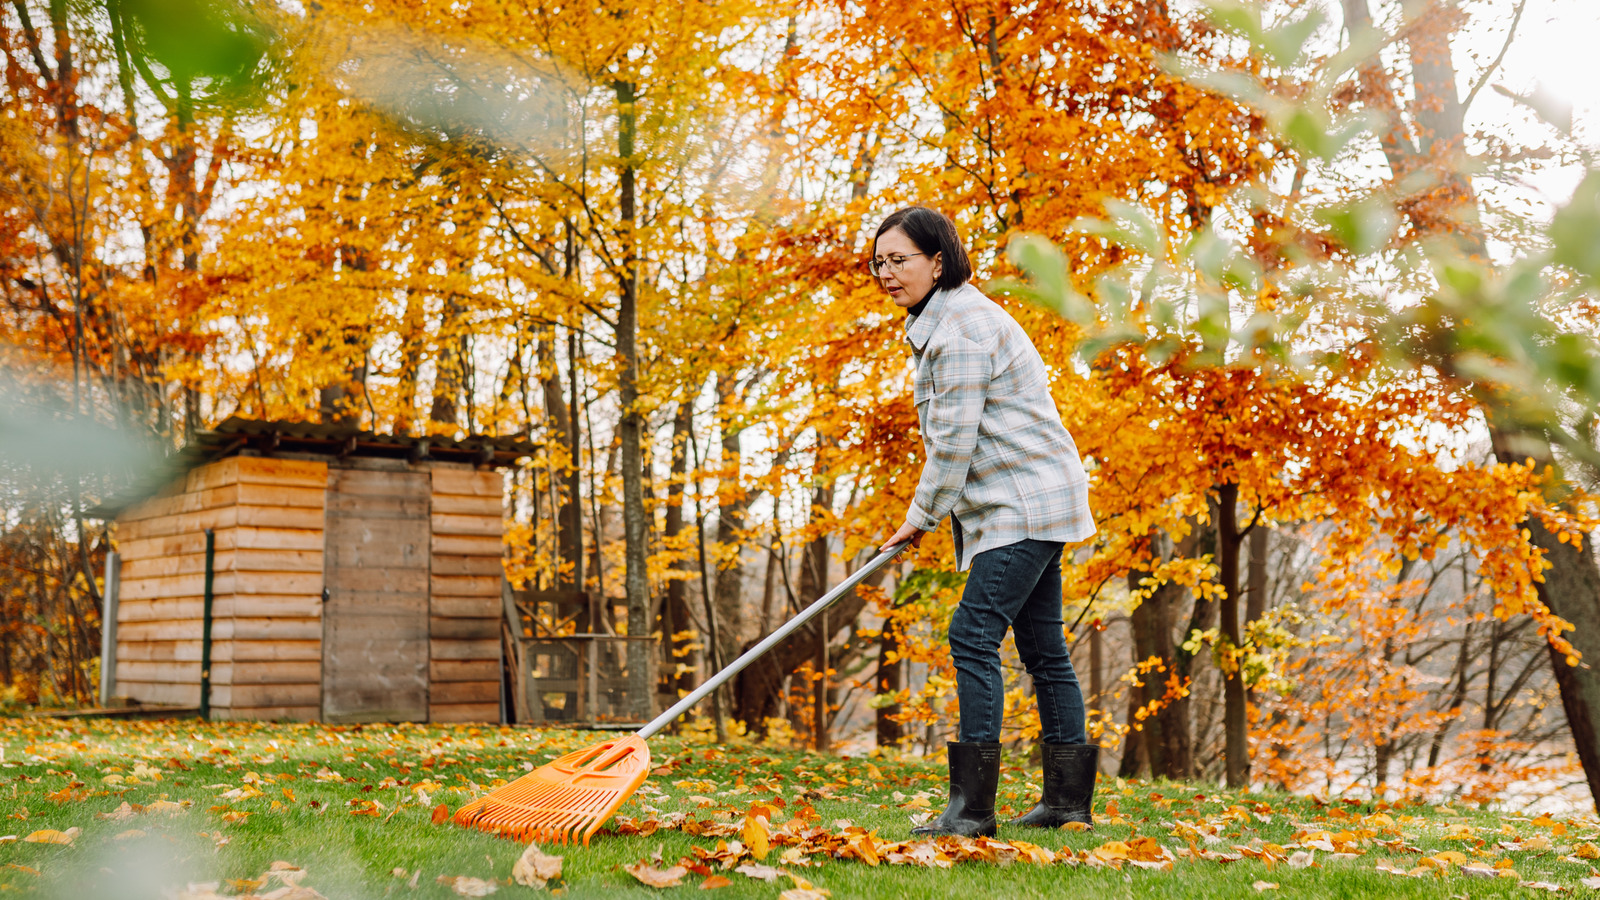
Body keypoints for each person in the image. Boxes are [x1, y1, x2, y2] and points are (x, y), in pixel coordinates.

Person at [873, 206, 1098, 838]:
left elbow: (953, 446)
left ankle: (971, 811)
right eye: (879, 262)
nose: (887, 273)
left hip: (1023, 504)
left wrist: (917, 519)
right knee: (1043, 648)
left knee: (972, 634)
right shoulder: (948, 320)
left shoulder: (960, 331)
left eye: (901, 260)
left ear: (937, 262)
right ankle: (1066, 805)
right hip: (1029, 501)